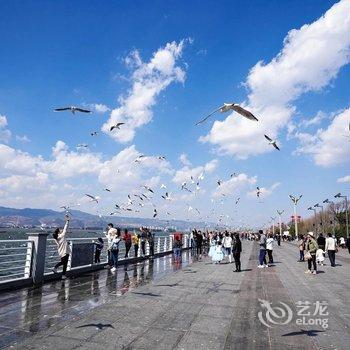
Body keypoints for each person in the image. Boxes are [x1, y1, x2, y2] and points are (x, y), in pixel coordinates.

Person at [52, 215, 71, 279]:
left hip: (61, 251)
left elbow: (60, 243)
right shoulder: (62, 235)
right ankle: (56, 268)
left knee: (64, 262)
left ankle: (62, 274)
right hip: (65, 251)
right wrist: (67, 221)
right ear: (58, 232)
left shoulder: (56, 238)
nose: (61, 230)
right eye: (60, 230)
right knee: (64, 263)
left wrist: (66, 243)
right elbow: (66, 228)